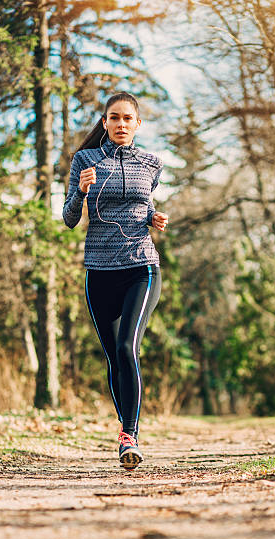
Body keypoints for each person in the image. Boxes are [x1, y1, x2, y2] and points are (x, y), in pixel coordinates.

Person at [63, 91, 168, 470]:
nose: (121, 124)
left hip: (142, 266)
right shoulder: (85, 161)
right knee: (113, 356)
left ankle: (129, 434)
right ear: (104, 123)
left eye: (128, 118)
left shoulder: (152, 163)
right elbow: (70, 218)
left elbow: (146, 205)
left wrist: (154, 220)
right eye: (114, 118)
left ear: (138, 124)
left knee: (127, 347)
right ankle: (127, 430)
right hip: (100, 271)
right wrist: (80, 192)